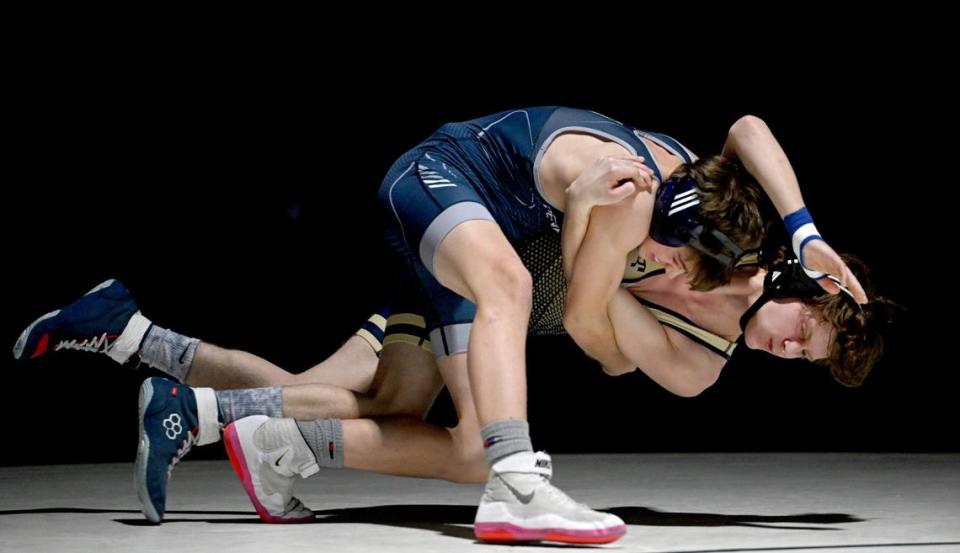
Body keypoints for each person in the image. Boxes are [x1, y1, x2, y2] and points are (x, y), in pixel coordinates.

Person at [13, 107, 876, 544]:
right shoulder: (659, 194)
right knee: (473, 420)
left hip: (475, 257)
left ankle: (142, 349)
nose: (790, 350)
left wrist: (602, 264)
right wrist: (807, 227)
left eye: (804, 359)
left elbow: (594, 331)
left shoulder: (705, 339)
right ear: (800, 288)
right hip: (454, 201)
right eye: (808, 332)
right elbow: (746, 133)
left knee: (365, 387)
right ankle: (507, 482)